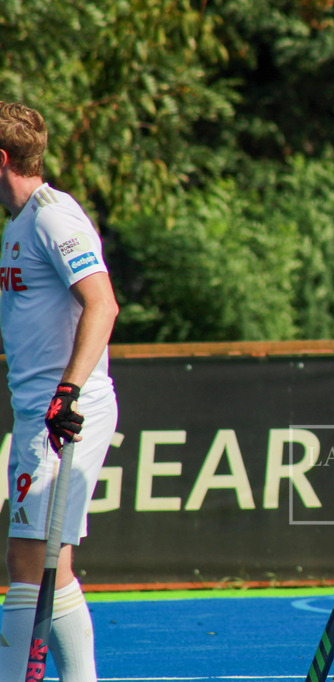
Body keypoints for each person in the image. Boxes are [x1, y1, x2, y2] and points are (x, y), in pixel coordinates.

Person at [0, 102, 119, 681]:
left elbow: (102, 302)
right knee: (52, 564)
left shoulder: (53, 217)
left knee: (26, 559)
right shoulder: (18, 223)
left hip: (62, 413)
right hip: (35, 411)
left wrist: (65, 394)